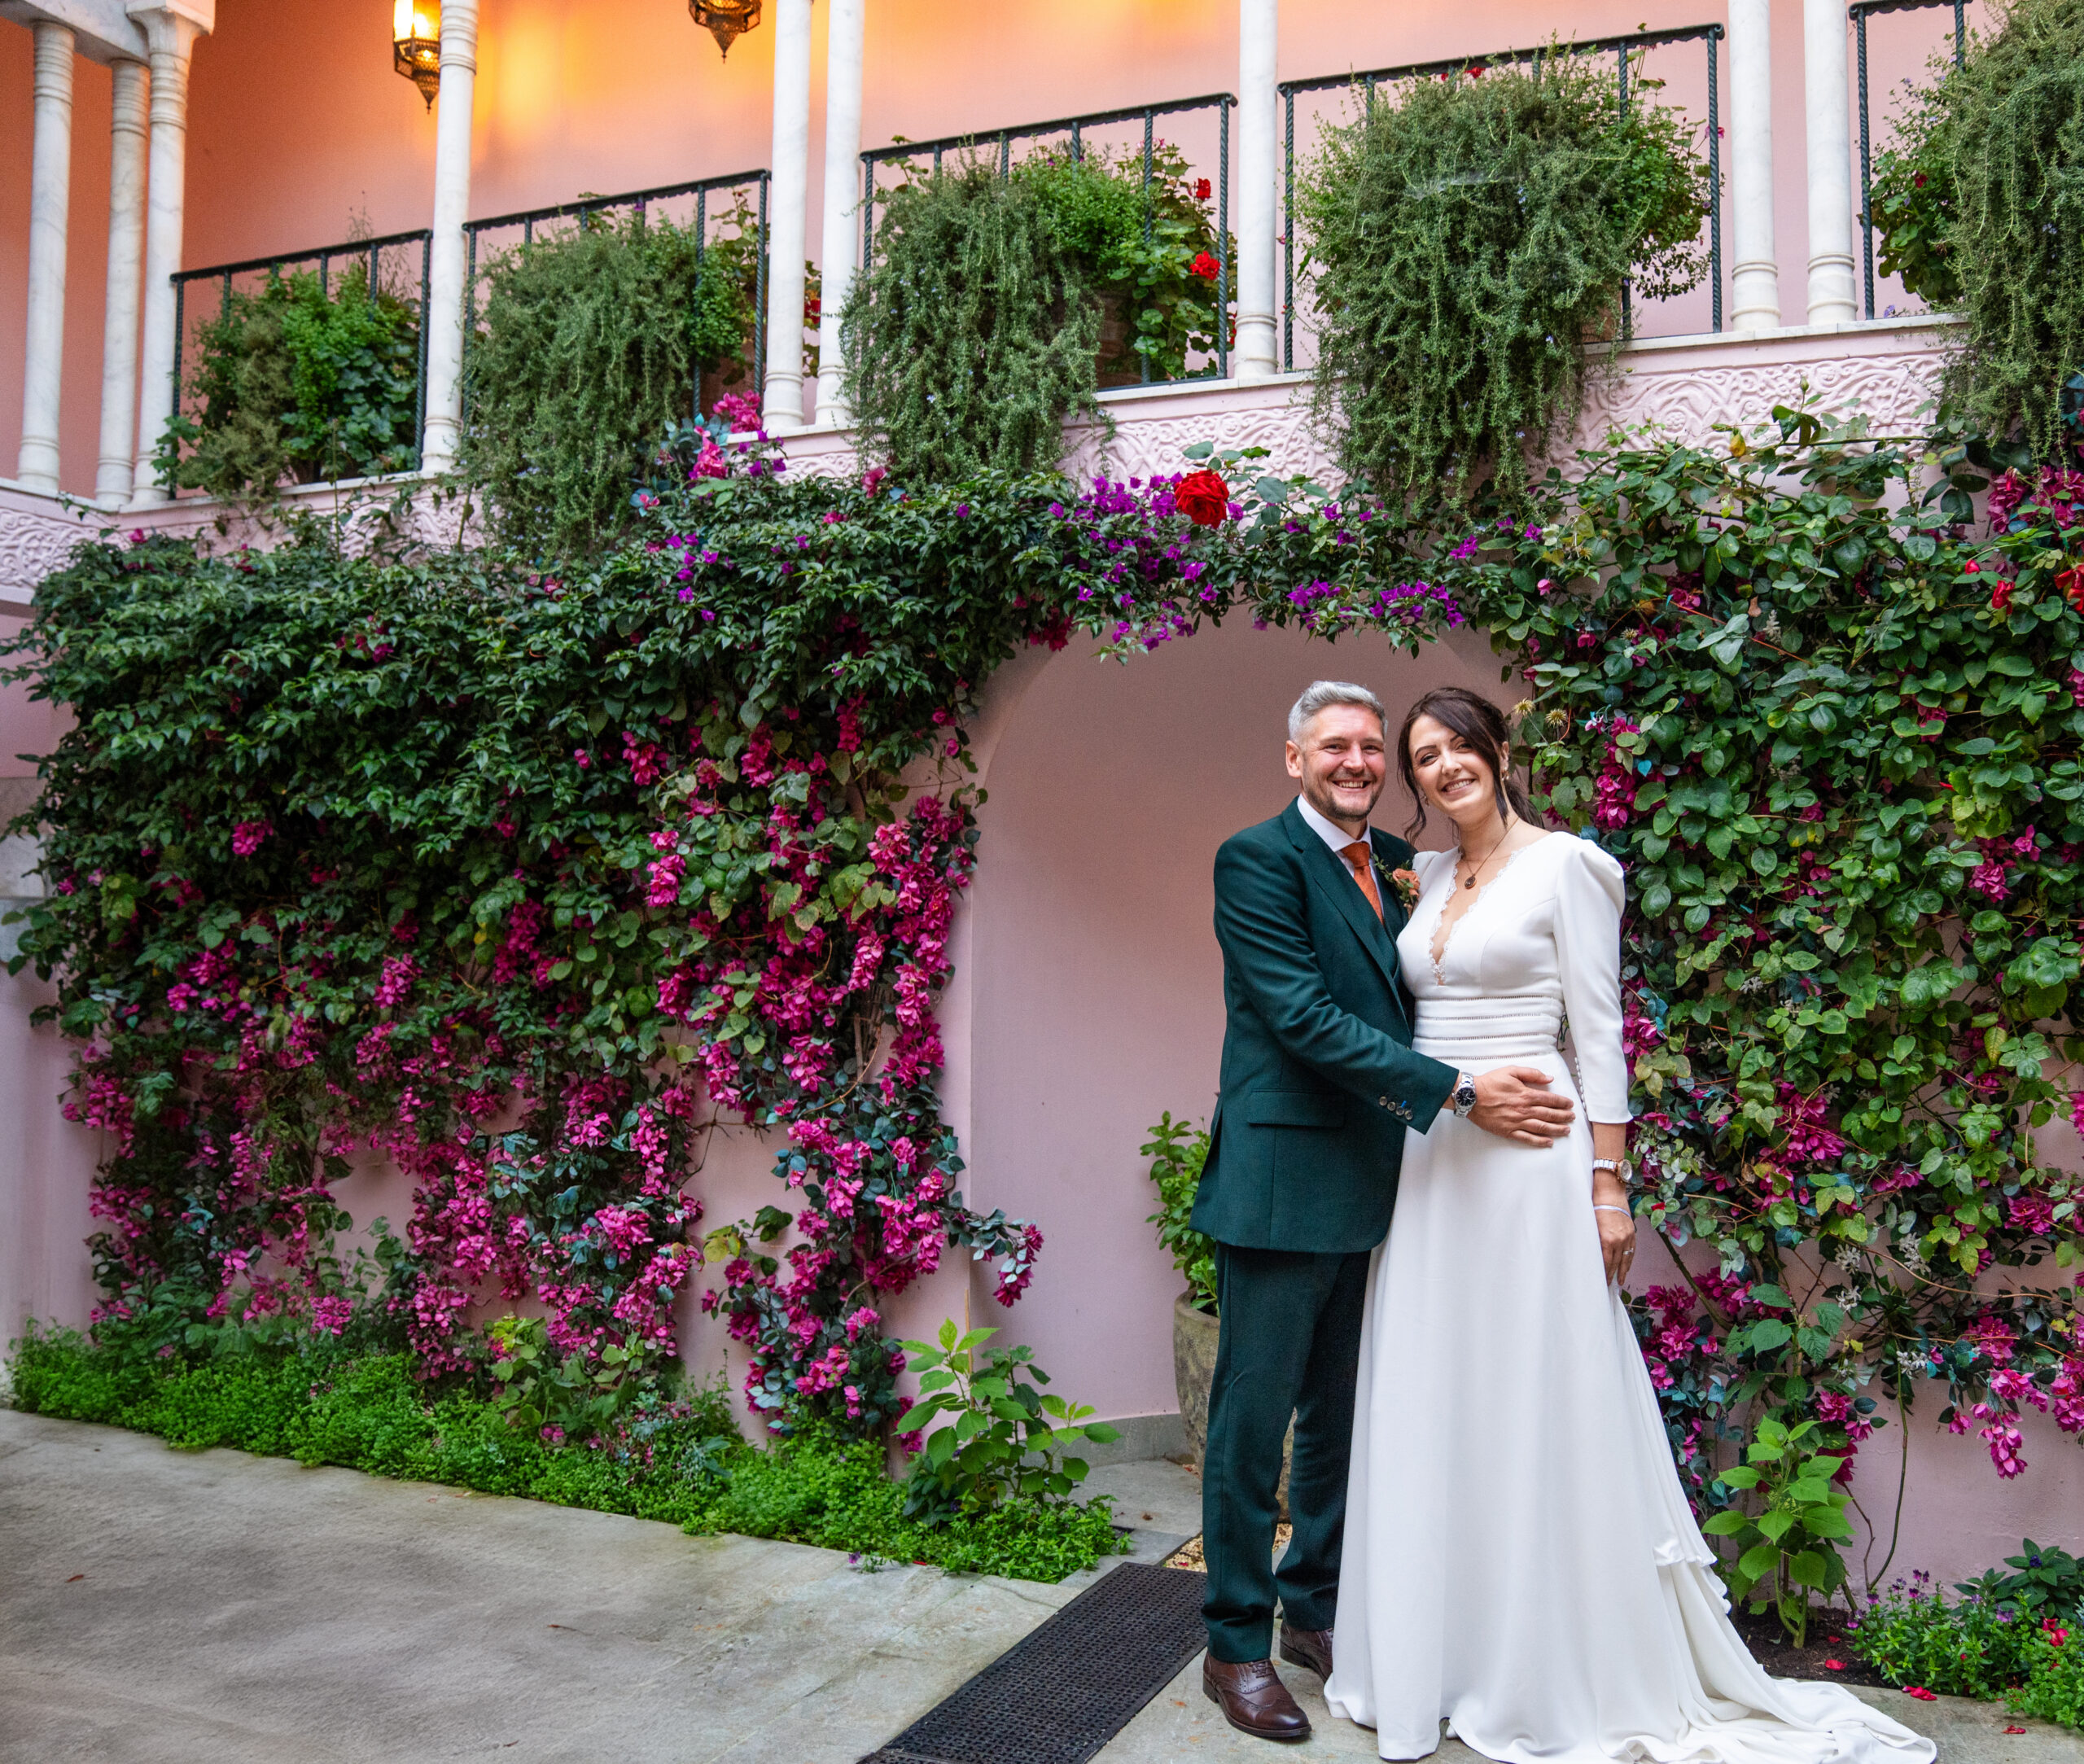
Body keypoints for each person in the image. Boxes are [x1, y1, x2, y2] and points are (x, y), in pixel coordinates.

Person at [1323, 685, 1935, 1764]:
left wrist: (1610, 1187)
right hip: (1434, 1167)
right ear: (1413, 780)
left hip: (1534, 1166)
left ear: (1499, 749)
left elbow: (1601, 1036)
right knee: (1437, 1396)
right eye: (1425, 757)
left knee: (1532, 1398)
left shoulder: (1570, 866)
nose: (1446, 767)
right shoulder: (1417, 880)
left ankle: (1546, 1667)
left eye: (1461, 745)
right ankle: (1441, 1656)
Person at [1194, 681, 1578, 1744]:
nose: (1359, 762)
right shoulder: (1256, 861)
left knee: (1338, 1419)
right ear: (1294, 759)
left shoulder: (1405, 871)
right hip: (1279, 1188)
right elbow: (1306, 1017)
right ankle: (1235, 1646)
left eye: (1373, 748)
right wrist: (1456, 1088)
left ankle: (1317, 1611)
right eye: (1337, 747)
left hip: (1385, 1190)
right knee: (1252, 1422)